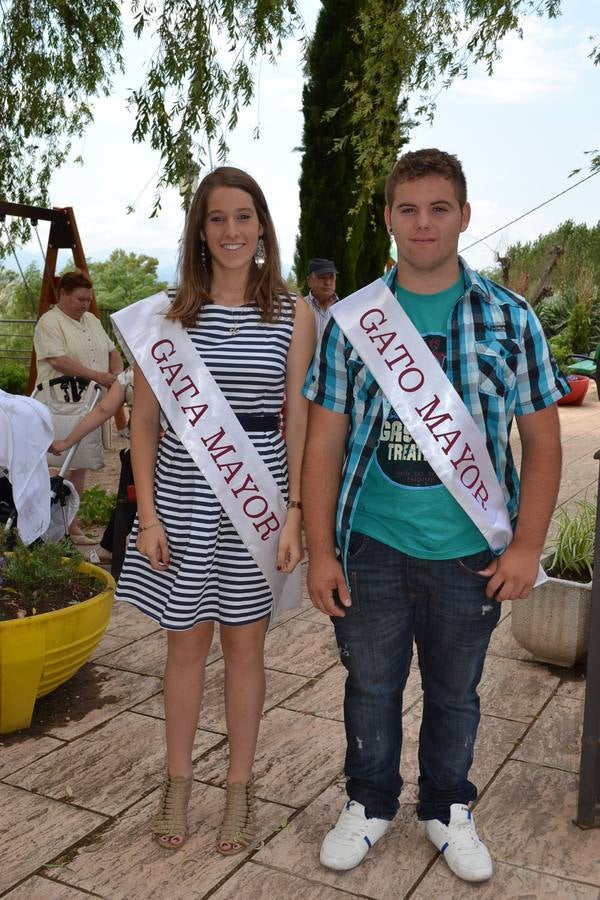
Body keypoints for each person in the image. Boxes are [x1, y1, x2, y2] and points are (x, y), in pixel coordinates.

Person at [301, 148, 568, 883]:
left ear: (464, 216)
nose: (423, 223)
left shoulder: (511, 319)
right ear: (389, 217)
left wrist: (527, 548)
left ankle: (447, 807)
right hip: (373, 545)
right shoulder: (353, 321)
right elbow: (323, 441)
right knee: (370, 686)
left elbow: (543, 445)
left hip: (469, 551)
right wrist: (321, 551)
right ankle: (370, 801)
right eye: (408, 209)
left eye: (439, 208)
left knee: (457, 692)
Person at [112, 166, 315, 853]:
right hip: (182, 496)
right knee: (185, 647)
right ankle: (176, 786)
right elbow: (143, 421)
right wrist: (149, 515)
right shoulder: (164, 315)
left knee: (246, 648)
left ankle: (239, 790)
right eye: (217, 218)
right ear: (200, 230)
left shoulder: (294, 312)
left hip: (255, 500)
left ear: (263, 227)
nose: (231, 231)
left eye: (243, 216)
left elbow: (300, 419)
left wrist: (294, 513)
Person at [34, 270, 123, 543]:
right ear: (63, 295)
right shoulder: (49, 322)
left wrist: (117, 378)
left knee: (80, 464)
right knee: (55, 465)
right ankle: (45, 528)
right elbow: (57, 359)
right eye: (80, 299)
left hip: (89, 402)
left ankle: (70, 526)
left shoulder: (92, 320)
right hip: (57, 402)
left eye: (88, 299)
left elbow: (112, 351)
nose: (85, 304)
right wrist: (96, 375)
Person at [48, 368, 135, 563]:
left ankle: (110, 547)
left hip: (141, 454)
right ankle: (110, 547)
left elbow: (103, 410)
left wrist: (66, 442)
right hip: (187, 455)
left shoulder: (134, 372)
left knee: (131, 500)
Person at [302, 257, 339, 337]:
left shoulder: (343, 308)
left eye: (331, 277)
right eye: (322, 277)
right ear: (309, 281)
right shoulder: (299, 308)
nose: (328, 282)